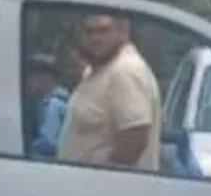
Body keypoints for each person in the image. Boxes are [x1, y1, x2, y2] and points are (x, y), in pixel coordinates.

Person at [57, 11, 163, 171]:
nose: (96, 39)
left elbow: (134, 139)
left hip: (109, 189)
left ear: (123, 32)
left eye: (104, 31)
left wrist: (100, 176)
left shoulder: (126, 70)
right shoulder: (97, 70)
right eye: (89, 32)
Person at [25, 56, 70, 158]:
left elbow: (49, 143)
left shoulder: (56, 105)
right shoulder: (31, 102)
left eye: (36, 77)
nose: (32, 82)